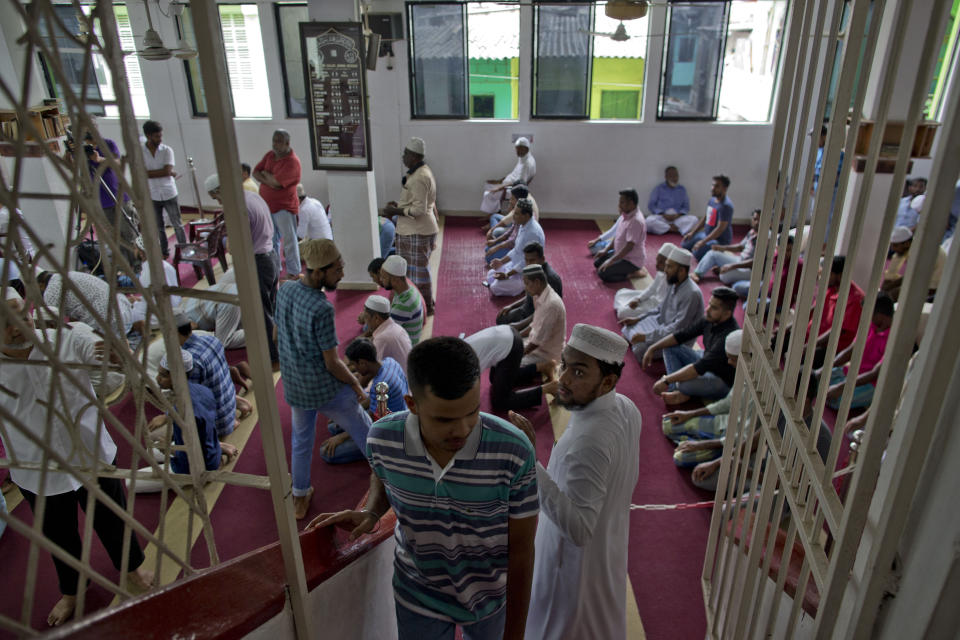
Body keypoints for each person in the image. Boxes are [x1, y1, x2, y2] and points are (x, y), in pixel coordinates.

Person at [309, 337, 538, 640]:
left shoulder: (514, 451)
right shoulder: (382, 438)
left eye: (472, 412)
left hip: (490, 597)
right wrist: (372, 510)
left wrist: (515, 635)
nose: (462, 430)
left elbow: (521, 551)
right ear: (412, 405)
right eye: (444, 419)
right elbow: (381, 473)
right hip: (417, 594)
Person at [1, 290, 153, 626]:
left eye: (19, 312)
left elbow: (96, 349)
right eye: (4, 320)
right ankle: (72, 589)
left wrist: (113, 355)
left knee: (112, 514)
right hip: (35, 466)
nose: (17, 324)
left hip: (89, 452)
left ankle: (132, 565)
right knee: (59, 533)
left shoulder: (65, 339)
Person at [514, 324, 642, 640]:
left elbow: (580, 529)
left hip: (571, 568)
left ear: (608, 381)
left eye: (580, 373)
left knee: (560, 626)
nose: (565, 379)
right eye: (566, 365)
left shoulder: (589, 441)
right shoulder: (626, 408)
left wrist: (530, 462)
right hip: (607, 546)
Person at [275, 239, 372, 519]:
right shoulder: (322, 308)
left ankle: (300, 496)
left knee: (301, 440)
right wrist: (355, 386)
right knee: (362, 426)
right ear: (318, 273)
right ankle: (389, 474)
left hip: (294, 384)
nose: (341, 275)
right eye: (337, 270)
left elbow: (277, 332)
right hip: (322, 387)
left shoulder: (286, 289)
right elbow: (332, 362)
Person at [132, 349, 238, 493]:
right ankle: (218, 449)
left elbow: (193, 455)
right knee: (151, 449)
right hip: (206, 448)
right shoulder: (201, 390)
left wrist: (169, 450)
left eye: (163, 375)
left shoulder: (186, 412)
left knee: (129, 483)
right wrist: (167, 415)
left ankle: (212, 465)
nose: (157, 379)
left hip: (194, 466)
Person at [205, 173, 280, 365]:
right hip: (270, 256)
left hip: (257, 263)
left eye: (217, 198)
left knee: (262, 314)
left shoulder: (238, 208)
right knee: (272, 309)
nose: (219, 202)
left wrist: (231, 245)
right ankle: (280, 348)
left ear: (220, 191)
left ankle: (273, 357)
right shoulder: (253, 196)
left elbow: (238, 244)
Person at [643, 287, 740, 404]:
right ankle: (676, 389)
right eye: (709, 304)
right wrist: (652, 348)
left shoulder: (726, 337)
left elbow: (698, 368)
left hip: (722, 380)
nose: (707, 310)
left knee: (684, 383)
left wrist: (666, 380)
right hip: (706, 360)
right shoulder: (710, 319)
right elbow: (681, 335)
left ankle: (680, 390)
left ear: (727, 313)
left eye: (714, 308)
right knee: (670, 347)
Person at [320, 338, 410, 464]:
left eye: (354, 365)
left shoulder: (380, 386)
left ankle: (377, 453)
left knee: (325, 452)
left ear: (362, 363)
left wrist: (342, 437)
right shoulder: (389, 362)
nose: (354, 369)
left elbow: (371, 422)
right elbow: (374, 404)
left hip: (390, 434)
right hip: (400, 414)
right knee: (333, 426)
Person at [661, 330, 743, 469]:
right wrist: (689, 414)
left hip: (734, 441)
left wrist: (701, 445)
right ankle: (697, 439)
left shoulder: (762, 388)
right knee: (668, 424)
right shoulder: (742, 373)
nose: (729, 362)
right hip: (723, 423)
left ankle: (703, 443)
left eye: (733, 359)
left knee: (680, 458)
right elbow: (728, 404)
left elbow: (743, 438)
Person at [381, 137, 439, 314]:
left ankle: (425, 307)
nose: (403, 157)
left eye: (406, 153)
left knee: (418, 274)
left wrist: (395, 212)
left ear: (414, 156)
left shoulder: (420, 177)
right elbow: (416, 203)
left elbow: (419, 210)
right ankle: (421, 304)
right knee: (415, 272)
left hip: (417, 232)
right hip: (415, 230)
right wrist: (399, 207)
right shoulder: (420, 172)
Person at [814, 292, 894, 410]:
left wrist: (841, 387)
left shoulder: (893, 339)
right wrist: (828, 367)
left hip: (871, 383)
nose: (865, 316)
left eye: (870, 313)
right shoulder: (871, 325)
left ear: (881, 315)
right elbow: (852, 349)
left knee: (837, 400)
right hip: (852, 373)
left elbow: (874, 374)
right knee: (814, 379)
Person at [620, 246, 702, 360]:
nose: (665, 270)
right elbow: (659, 308)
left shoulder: (692, 294)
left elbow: (678, 328)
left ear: (682, 271)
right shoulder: (673, 282)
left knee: (639, 348)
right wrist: (638, 318)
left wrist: (646, 337)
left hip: (677, 337)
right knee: (627, 328)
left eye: (669, 267)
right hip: (662, 324)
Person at [81, 129, 141, 271]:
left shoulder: (108, 144)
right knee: (115, 237)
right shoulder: (81, 151)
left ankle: (138, 265)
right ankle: (125, 267)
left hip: (119, 196)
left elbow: (119, 164)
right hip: (101, 202)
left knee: (129, 233)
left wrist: (99, 159)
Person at [174, 312, 237, 439]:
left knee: (158, 435)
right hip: (231, 409)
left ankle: (219, 447)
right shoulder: (211, 338)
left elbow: (192, 402)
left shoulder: (189, 359)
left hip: (218, 424)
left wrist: (167, 415)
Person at [465, 325, 557, 412]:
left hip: (511, 347)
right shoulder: (455, 349)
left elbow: (471, 395)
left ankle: (548, 388)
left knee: (500, 402)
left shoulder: (461, 369)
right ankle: (542, 367)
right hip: (505, 333)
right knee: (494, 378)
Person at [796, 255, 865, 368]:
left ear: (840, 275)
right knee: (779, 342)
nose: (821, 277)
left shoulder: (856, 299)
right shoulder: (831, 288)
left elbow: (838, 330)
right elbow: (814, 309)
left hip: (829, 347)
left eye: (826, 274)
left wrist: (811, 345)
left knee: (800, 367)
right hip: (813, 338)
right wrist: (791, 328)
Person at [254, 129, 302, 278]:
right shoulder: (270, 155)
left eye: (278, 141)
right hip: (267, 206)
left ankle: (294, 271)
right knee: (271, 238)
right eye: (274, 140)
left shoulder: (292, 162)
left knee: (289, 240)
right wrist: (269, 178)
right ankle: (275, 267)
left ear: (287, 143)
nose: (275, 144)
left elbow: (277, 184)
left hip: (284, 207)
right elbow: (255, 172)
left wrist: (267, 176)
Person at [37, 270, 134, 339]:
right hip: (125, 313)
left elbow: (48, 326)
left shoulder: (51, 290)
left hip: (107, 323)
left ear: (41, 285)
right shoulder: (69, 274)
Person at [141, 120, 185, 258]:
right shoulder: (140, 152)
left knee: (177, 224)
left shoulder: (167, 150)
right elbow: (140, 173)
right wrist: (164, 172)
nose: (160, 139)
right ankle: (164, 251)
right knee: (159, 227)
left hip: (169, 192)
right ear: (148, 136)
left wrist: (151, 173)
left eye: (160, 136)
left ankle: (184, 250)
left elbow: (166, 171)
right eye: (156, 136)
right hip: (152, 193)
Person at [485, 200, 546, 296]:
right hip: (516, 264)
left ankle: (525, 286)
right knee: (491, 275)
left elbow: (525, 262)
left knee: (495, 287)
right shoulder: (523, 224)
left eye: (516, 214)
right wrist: (501, 261)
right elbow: (516, 250)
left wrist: (507, 274)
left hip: (526, 273)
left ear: (526, 216)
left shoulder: (532, 233)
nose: (513, 216)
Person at [496, 242, 563, 326]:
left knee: (509, 330)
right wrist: (511, 306)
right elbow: (529, 296)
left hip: (541, 320)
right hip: (527, 310)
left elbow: (544, 313)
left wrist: (518, 325)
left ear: (542, 259)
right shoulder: (534, 271)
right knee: (501, 318)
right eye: (526, 260)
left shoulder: (550, 280)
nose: (528, 264)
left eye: (532, 260)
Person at [692, 208, 760, 284]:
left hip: (750, 269)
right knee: (712, 253)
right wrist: (721, 248)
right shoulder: (752, 232)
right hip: (740, 260)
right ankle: (697, 274)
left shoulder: (766, 238)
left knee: (724, 275)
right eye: (755, 219)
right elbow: (740, 247)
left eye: (760, 220)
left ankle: (725, 271)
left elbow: (755, 262)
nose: (757, 222)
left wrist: (731, 266)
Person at [517, 264, 566, 367]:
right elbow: (535, 324)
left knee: (508, 365)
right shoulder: (539, 294)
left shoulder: (551, 305)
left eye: (527, 283)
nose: (525, 288)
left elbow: (537, 342)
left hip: (546, 354)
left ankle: (547, 368)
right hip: (535, 345)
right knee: (507, 348)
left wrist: (517, 356)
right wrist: (517, 335)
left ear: (537, 282)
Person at [594, 189, 647, 282]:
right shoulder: (625, 214)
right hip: (621, 254)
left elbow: (629, 247)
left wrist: (611, 260)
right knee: (597, 263)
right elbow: (618, 236)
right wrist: (605, 250)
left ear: (631, 203)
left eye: (622, 202)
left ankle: (633, 273)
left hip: (631, 260)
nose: (619, 205)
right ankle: (617, 264)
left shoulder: (636, 221)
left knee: (602, 274)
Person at [130, 236, 180, 333]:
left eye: (135, 248)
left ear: (141, 253)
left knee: (124, 315)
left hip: (160, 316)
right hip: (173, 308)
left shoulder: (149, 271)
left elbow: (154, 302)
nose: (134, 251)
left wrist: (137, 303)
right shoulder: (163, 264)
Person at [177, 278, 245, 350]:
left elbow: (193, 325)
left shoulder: (177, 321)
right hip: (230, 291)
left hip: (226, 302)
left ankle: (255, 333)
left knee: (225, 341)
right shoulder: (180, 308)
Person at [883, 226, 946, 301]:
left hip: (934, 286)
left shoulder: (920, 249)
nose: (893, 248)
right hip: (922, 281)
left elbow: (911, 278)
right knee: (887, 289)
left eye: (895, 246)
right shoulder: (908, 247)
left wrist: (888, 287)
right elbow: (890, 275)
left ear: (906, 243)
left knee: (894, 294)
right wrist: (887, 285)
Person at [614, 242, 674, 321]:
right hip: (651, 298)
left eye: (661, 262)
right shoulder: (661, 272)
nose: (657, 264)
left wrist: (643, 303)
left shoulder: (673, 279)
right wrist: (638, 299)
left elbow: (664, 306)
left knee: (622, 313)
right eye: (657, 260)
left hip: (657, 307)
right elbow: (652, 289)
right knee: (620, 293)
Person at [480, 137, 537, 219]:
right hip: (507, 184)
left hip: (512, 189)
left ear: (526, 148)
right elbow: (514, 174)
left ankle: (494, 215)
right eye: (516, 149)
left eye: (520, 149)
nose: (517, 152)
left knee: (488, 193)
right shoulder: (523, 157)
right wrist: (499, 181)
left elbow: (520, 182)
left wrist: (500, 187)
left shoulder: (527, 164)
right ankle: (494, 213)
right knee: (487, 185)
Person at [682, 174, 734, 260]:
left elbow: (720, 229)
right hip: (706, 235)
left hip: (719, 240)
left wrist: (703, 242)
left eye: (717, 186)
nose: (712, 188)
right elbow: (706, 218)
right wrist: (692, 232)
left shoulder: (726, 206)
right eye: (713, 185)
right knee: (685, 244)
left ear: (725, 189)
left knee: (697, 254)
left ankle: (719, 251)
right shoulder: (712, 200)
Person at [381, 254, 425, 345]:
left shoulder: (403, 306)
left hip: (406, 349)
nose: (381, 280)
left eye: (384, 277)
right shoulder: (411, 289)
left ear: (395, 280)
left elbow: (385, 333)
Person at [362, 294, 412, 373]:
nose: (365, 321)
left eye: (365, 317)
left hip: (398, 383)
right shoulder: (398, 328)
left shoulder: (382, 339)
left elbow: (372, 371)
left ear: (376, 318)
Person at [646, 166, 695, 236]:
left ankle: (666, 228)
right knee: (648, 221)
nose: (674, 178)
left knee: (694, 219)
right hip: (663, 217)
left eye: (676, 175)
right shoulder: (658, 188)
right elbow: (651, 205)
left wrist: (678, 215)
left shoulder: (682, 189)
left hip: (677, 218)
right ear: (666, 177)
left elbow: (686, 207)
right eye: (671, 175)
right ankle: (673, 229)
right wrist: (663, 214)